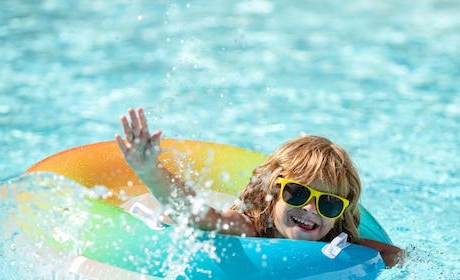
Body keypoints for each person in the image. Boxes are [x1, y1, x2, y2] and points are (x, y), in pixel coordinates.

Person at [115, 107, 403, 267]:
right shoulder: (252, 229)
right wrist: (149, 170)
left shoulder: (336, 245)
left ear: (339, 213)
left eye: (328, 203)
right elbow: (200, 218)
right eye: (299, 192)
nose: (310, 209)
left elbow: (395, 255)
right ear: (274, 191)